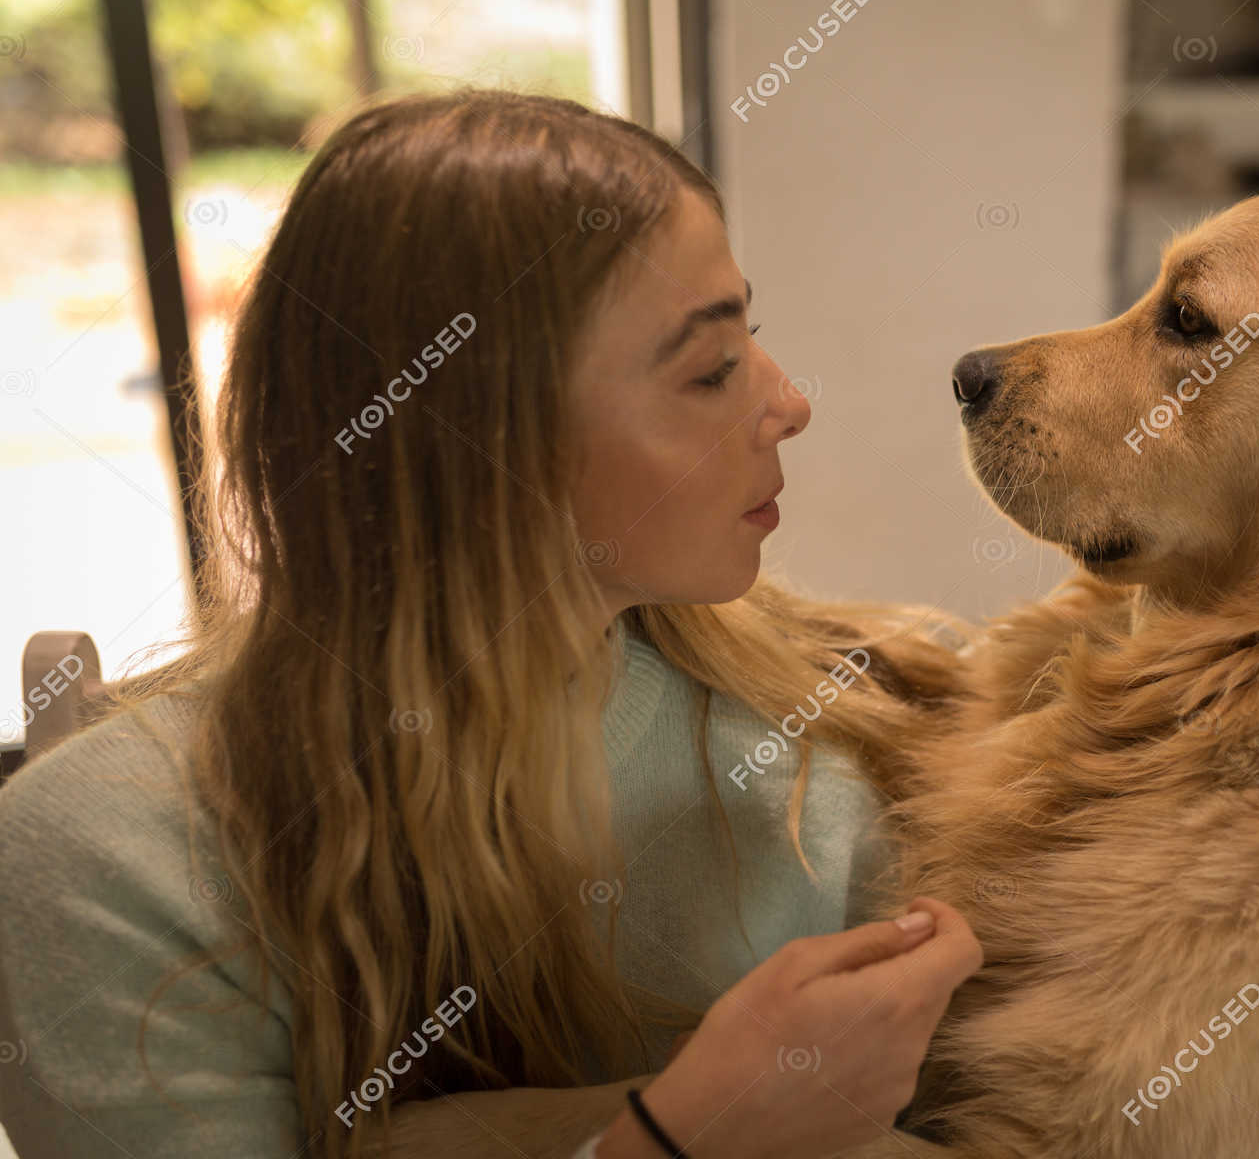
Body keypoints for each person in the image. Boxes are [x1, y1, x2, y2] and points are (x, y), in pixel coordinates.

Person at [0, 89, 983, 1159]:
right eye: (710, 371)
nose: (789, 402)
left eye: (753, 336)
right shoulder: (107, 860)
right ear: (479, 458)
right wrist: (679, 1135)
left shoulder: (850, 724)